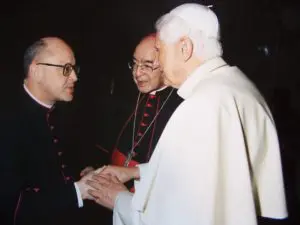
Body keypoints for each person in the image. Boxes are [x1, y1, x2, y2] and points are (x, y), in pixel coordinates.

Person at [86, 3, 288, 225]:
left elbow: (172, 217)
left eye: (160, 51)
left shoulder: (201, 106)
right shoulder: (235, 86)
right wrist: (135, 173)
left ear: (184, 47)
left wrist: (118, 199)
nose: (160, 64)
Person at [0, 37, 93, 225]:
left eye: (74, 68)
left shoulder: (64, 112)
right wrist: (77, 191)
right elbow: (10, 207)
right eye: (66, 68)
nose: (75, 77)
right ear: (36, 71)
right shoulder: (6, 119)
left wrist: (83, 173)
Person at [110, 33, 183, 183]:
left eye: (147, 65)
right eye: (135, 64)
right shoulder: (126, 91)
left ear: (166, 65)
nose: (137, 73)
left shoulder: (183, 105)